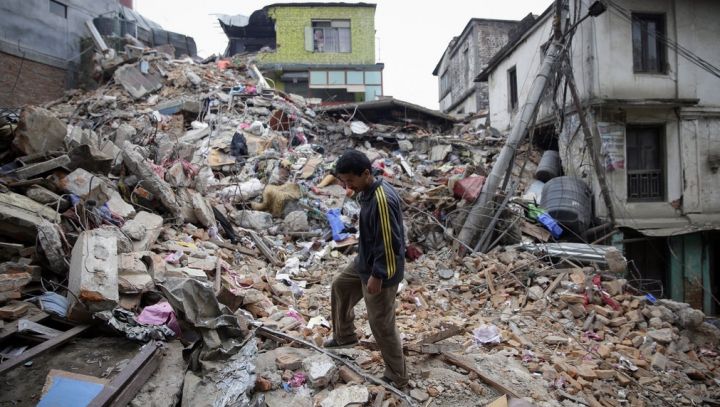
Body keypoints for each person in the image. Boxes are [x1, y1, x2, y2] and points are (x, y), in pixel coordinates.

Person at [323, 149, 409, 389]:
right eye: (343, 181)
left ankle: (398, 375)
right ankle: (345, 336)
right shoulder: (367, 191)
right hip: (366, 260)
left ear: (365, 173)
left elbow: (390, 241)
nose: (347, 186)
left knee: (381, 323)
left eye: (351, 180)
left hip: (382, 269)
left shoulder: (381, 198)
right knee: (340, 286)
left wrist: (378, 276)